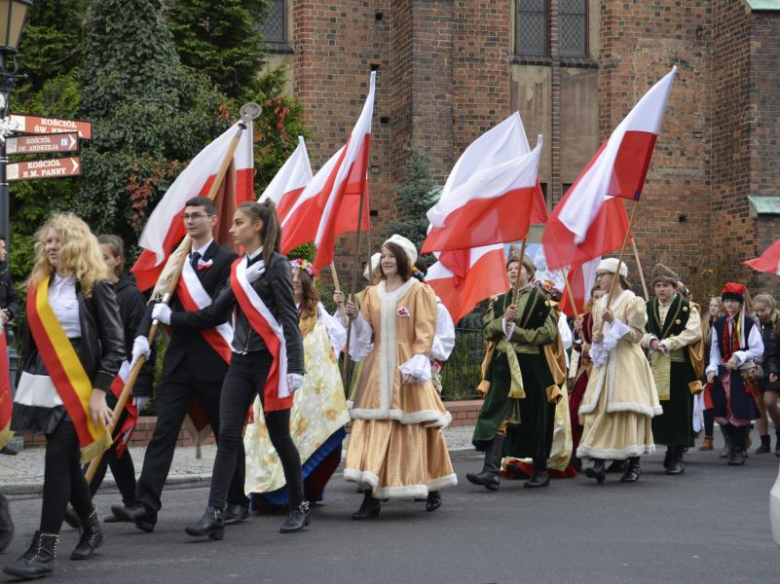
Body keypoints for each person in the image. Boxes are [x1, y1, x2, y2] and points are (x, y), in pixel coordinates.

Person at [154, 201, 307, 538]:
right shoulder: (238, 268)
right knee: (226, 436)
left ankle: (299, 505)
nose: (231, 229)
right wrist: (241, 284)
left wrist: (295, 365)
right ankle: (215, 512)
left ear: (258, 227)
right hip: (240, 359)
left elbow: (288, 318)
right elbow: (217, 311)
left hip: (269, 361)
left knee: (280, 437)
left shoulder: (277, 265)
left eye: (239, 223)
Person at [112, 196, 246, 532]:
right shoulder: (178, 259)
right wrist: (142, 335)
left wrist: (174, 317)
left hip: (215, 360)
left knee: (225, 434)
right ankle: (146, 506)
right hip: (178, 363)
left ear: (213, 220)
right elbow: (156, 300)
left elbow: (215, 312)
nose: (189, 221)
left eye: (197, 216)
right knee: (163, 433)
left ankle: (236, 501)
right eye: (186, 216)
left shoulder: (228, 261)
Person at [4, 214, 125, 580]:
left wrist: (99, 392)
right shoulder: (39, 285)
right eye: (48, 241)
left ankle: (44, 549)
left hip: (80, 386)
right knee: (68, 462)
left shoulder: (94, 285)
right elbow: (30, 344)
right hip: (43, 379)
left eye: (58, 240)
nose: (51, 246)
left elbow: (115, 345)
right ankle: (91, 528)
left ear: (75, 243)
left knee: (55, 460)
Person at [344, 235, 457, 517]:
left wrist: (418, 363)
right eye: (383, 255)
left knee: (418, 427)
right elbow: (367, 334)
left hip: (408, 368)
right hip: (378, 367)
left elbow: (425, 330)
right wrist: (356, 316)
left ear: (405, 259)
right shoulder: (372, 293)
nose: (387, 260)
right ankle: (371, 496)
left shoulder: (419, 291)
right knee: (376, 427)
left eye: (392, 255)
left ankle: (432, 484)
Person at [244, 258, 349, 508]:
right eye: (288, 280)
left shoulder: (317, 313)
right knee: (267, 437)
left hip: (304, 388)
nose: (292, 285)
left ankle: (298, 490)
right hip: (274, 380)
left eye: (296, 281)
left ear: (306, 284)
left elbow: (332, 343)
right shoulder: (274, 308)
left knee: (300, 437)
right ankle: (267, 493)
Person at [468, 252, 558, 490]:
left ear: (529, 272)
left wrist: (516, 331)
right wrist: (502, 322)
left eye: (518, 268)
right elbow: (487, 330)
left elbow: (547, 334)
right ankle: (490, 472)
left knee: (534, 416)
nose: (513, 271)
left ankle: (540, 470)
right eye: (510, 268)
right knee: (497, 415)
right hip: (502, 366)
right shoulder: (498, 301)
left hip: (531, 366)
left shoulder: (543, 300)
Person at [86, 235, 155, 520]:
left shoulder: (130, 296)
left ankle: (79, 499)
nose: (99, 262)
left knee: (101, 440)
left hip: (121, 379)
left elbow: (143, 345)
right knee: (112, 445)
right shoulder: (90, 291)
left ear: (118, 260)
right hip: (99, 378)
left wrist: (141, 386)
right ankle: (134, 502)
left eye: (105, 257)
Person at [577, 258, 661, 484]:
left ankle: (634, 464)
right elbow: (596, 330)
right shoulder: (598, 302)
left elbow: (636, 335)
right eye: (598, 276)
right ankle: (598, 462)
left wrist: (614, 321)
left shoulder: (633, 301)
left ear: (616, 276)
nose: (599, 280)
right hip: (605, 363)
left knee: (627, 411)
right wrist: (596, 338)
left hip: (626, 362)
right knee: (600, 409)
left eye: (603, 275)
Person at [502, 280, 575, 480]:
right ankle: (520, 460)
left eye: (543, 292)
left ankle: (545, 464)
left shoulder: (553, 312)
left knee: (548, 418)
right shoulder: (520, 309)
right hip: (525, 365)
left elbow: (558, 338)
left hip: (550, 367)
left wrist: (519, 333)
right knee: (524, 415)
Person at [641, 265, 702, 475]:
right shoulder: (647, 307)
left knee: (678, 409)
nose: (661, 290)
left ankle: (677, 454)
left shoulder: (687, 307)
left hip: (678, 364)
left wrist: (669, 342)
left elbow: (693, 332)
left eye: (665, 285)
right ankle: (667, 447)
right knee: (659, 410)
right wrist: (650, 340)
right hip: (654, 364)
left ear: (674, 287)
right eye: (657, 286)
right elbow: (639, 330)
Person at [705, 283, 763, 466]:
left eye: (733, 301)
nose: (729, 305)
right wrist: (712, 368)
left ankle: (739, 449)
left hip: (742, 372)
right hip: (723, 372)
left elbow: (757, 348)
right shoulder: (719, 323)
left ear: (739, 303)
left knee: (740, 409)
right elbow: (714, 350)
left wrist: (739, 356)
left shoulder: (748, 323)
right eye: (727, 301)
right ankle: (732, 442)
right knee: (720, 407)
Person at [569, 286, 605, 465]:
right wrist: (578, 332)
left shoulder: (610, 317)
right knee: (575, 408)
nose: (598, 299)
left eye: (601, 296)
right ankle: (574, 452)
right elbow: (576, 346)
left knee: (598, 411)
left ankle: (600, 454)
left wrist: (589, 348)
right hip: (586, 368)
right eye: (595, 296)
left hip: (603, 369)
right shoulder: (583, 318)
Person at [752, 294, 780, 455]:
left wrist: (774, 369)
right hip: (757, 368)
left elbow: (775, 351)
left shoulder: (777, 324)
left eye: (763, 310)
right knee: (758, 404)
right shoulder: (754, 324)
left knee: (769, 401)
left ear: (771, 308)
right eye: (757, 311)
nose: (760, 313)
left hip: (775, 368)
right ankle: (764, 441)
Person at [0, 236, 20, 456]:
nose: (5, 251)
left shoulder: (4, 274)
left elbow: (14, 299)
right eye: (2, 247)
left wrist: (8, 313)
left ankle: (2, 439)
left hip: (0, 334)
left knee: (2, 384)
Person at [699, 297, 724, 452]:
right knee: (707, 404)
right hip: (708, 368)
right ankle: (708, 438)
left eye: (716, 305)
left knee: (723, 404)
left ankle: (738, 436)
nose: (713, 308)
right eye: (711, 305)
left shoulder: (724, 324)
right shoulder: (705, 324)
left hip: (723, 367)